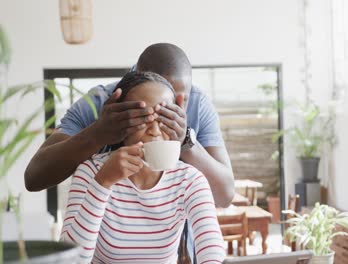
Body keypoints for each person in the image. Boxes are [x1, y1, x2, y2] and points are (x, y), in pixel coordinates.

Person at [24, 43, 234, 208]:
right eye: (158, 104)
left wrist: (187, 143)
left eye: (181, 100)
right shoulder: (99, 103)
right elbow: (33, 178)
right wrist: (97, 134)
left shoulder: (198, 104)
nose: (174, 110)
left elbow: (225, 196)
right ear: (134, 78)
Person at [60, 71, 225, 264]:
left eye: (164, 118)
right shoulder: (90, 173)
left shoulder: (189, 180)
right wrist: (103, 183)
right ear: (121, 120)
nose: (155, 130)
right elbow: (70, 261)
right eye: (143, 118)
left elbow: (213, 252)